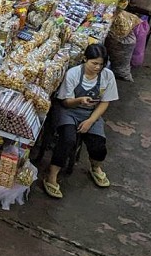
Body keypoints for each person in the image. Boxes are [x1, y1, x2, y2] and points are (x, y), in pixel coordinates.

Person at [44, 44, 117, 198]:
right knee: (67, 139)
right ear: (85, 59)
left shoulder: (107, 76)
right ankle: (52, 175)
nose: (98, 67)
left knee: (98, 144)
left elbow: (105, 102)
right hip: (69, 111)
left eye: (101, 64)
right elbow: (65, 102)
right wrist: (79, 100)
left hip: (91, 113)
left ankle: (95, 167)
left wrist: (91, 121)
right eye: (94, 63)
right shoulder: (74, 74)